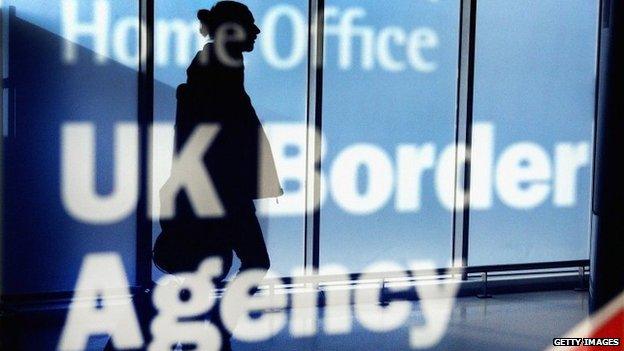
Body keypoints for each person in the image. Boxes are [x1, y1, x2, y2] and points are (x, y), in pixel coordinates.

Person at [152, 1, 283, 349]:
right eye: (249, 26)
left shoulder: (213, 71)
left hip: (215, 191)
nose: (255, 32)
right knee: (251, 262)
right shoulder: (217, 74)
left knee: (212, 267)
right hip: (223, 192)